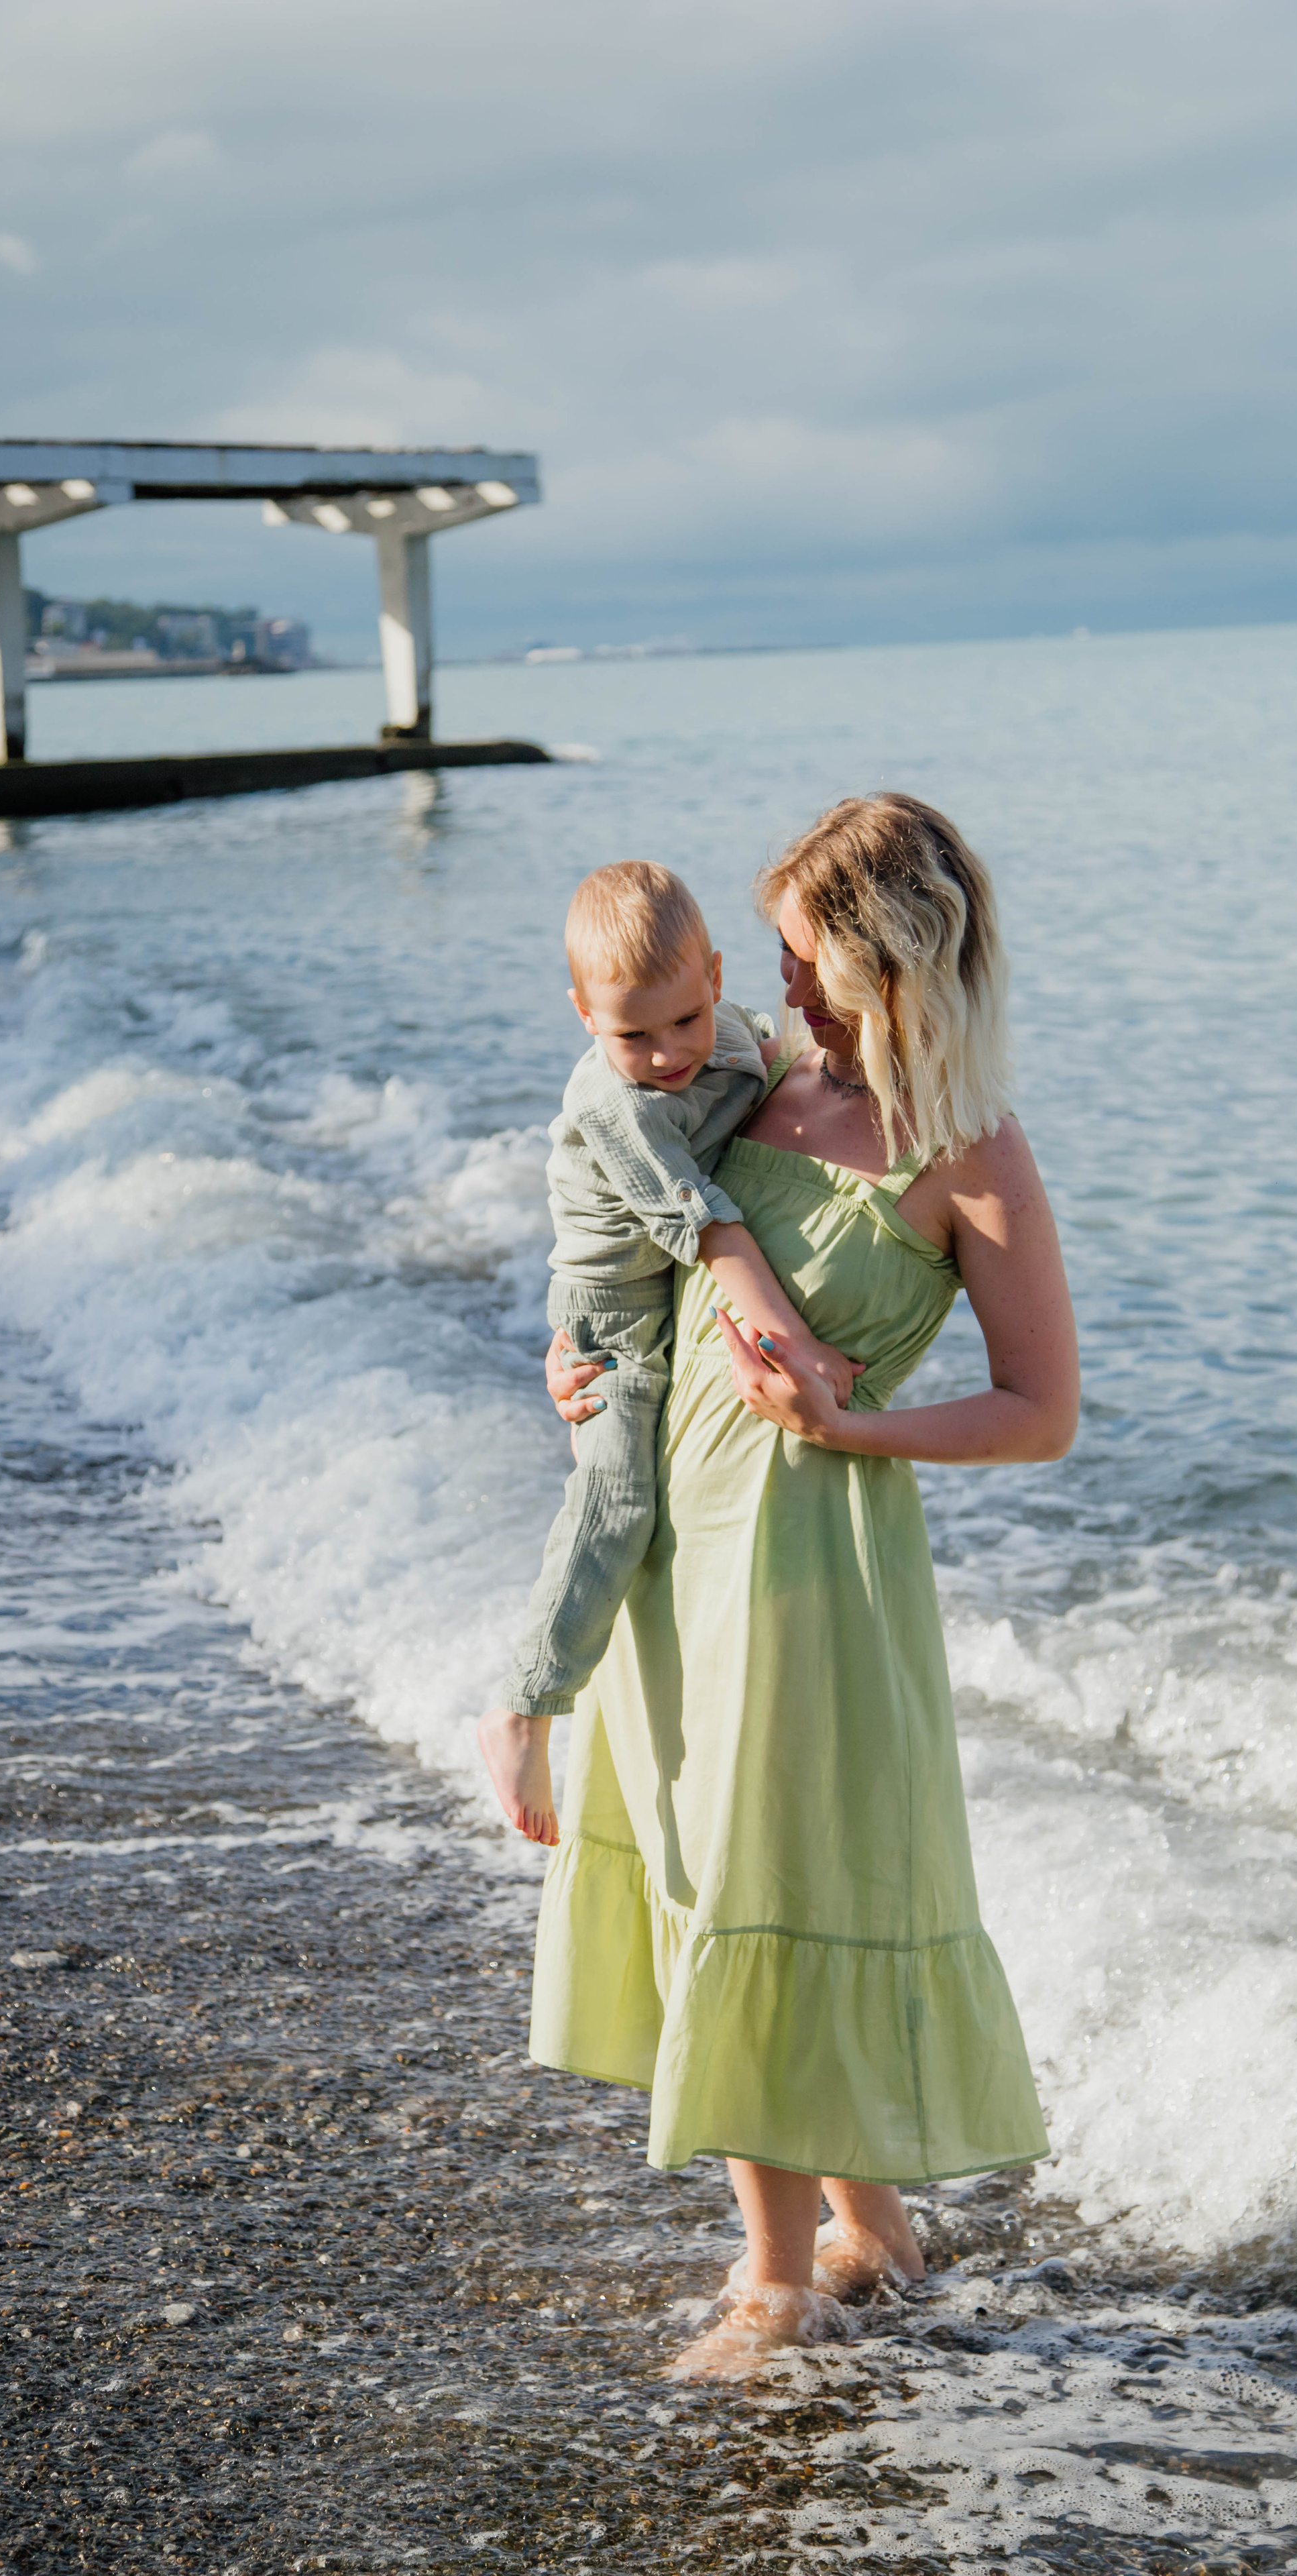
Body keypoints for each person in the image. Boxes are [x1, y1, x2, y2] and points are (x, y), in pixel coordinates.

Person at [528, 796, 1079, 2377]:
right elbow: (619, 1228)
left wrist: (861, 1422)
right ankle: (874, 2238)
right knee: (709, 1881)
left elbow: (1039, 1413)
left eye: (805, 955)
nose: (778, 982)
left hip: (804, 1570)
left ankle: (769, 2281)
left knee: (768, 1890)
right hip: (665, 1559)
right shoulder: (746, 1078)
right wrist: (571, 1358)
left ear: (893, 961)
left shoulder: (964, 1148)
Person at [479, 860, 862, 1846]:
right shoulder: (622, 1107)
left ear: (719, 979)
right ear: (582, 1016)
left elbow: (781, 1069)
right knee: (619, 1503)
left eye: (685, 1022)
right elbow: (710, 1228)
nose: (665, 1056)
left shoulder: (732, 1034)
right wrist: (802, 1345)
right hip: (613, 1313)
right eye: (630, 1035)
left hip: (665, 1286)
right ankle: (525, 1701)